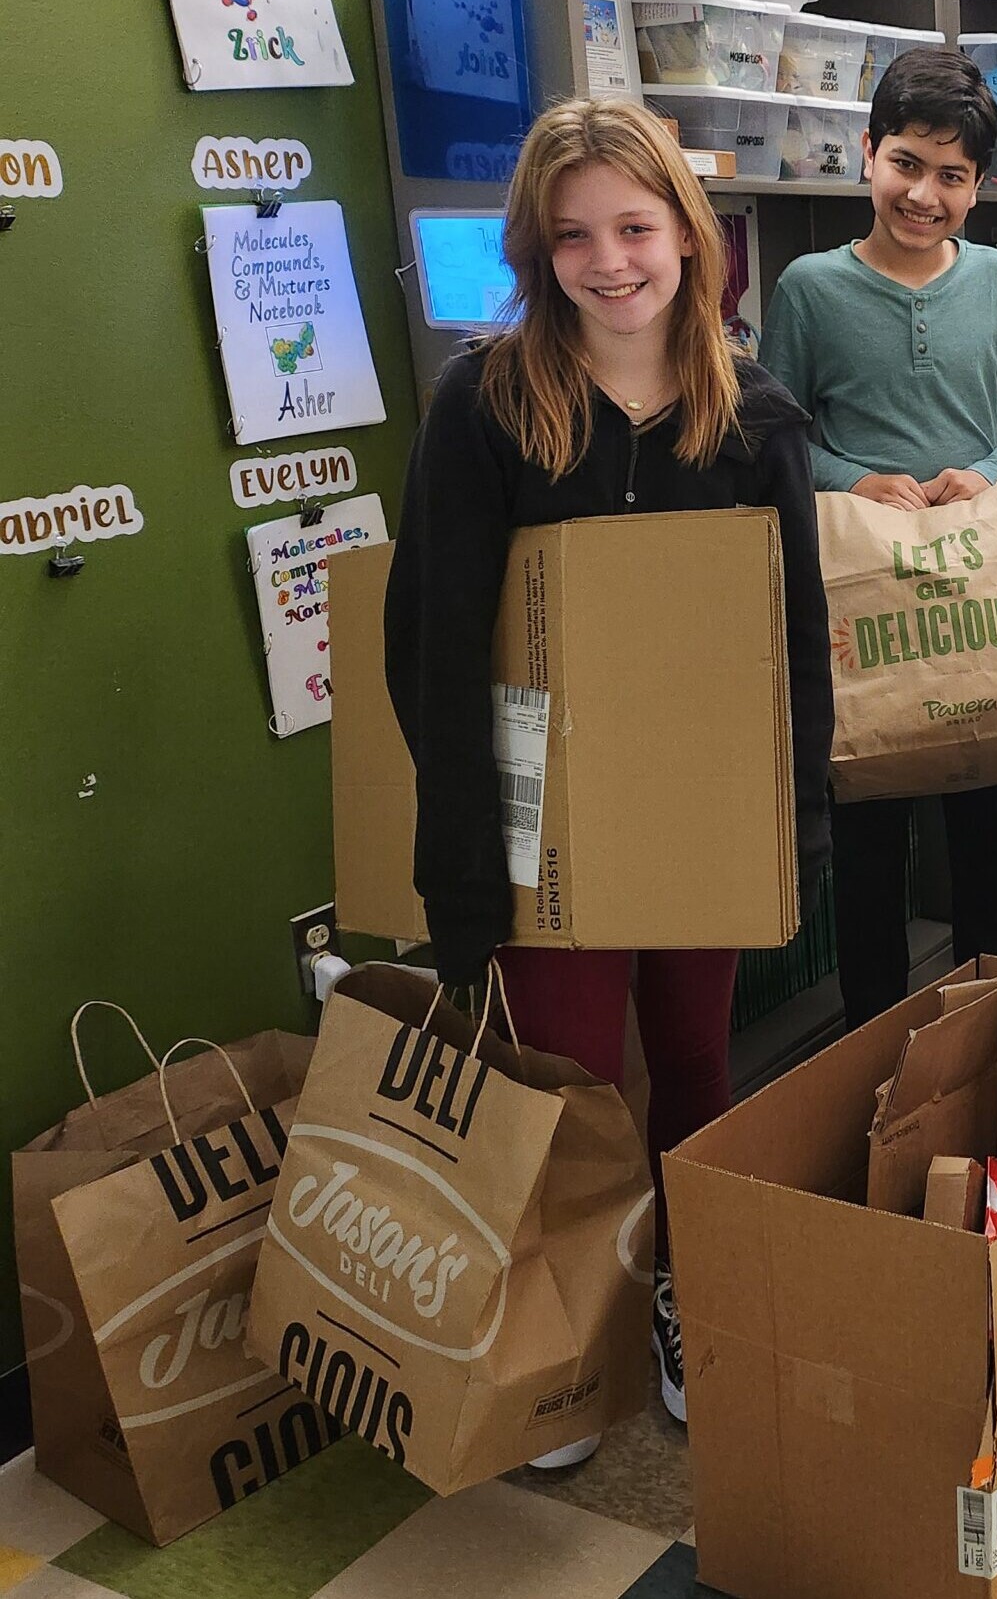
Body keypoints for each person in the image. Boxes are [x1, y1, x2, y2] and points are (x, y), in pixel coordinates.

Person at [384, 97, 832, 1461]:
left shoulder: (751, 413)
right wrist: (463, 863)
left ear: (689, 238)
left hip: (696, 818)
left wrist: (795, 827)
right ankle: (573, 1325)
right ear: (536, 248)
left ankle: (686, 1293)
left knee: (698, 1055)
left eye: (636, 226)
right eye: (573, 235)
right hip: (550, 826)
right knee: (566, 1077)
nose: (611, 260)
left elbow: (794, 643)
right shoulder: (488, 403)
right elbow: (433, 638)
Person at [762, 49, 997, 1027]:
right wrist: (853, 479)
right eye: (905, 164)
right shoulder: (810, 288)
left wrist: (985, 470)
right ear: (867, 155)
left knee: (992, 843)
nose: (922, 194)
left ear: (979, 187)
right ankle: (875, 1040)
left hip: (982, 608)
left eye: (950, 176)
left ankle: (992, 1025)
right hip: (866, 611)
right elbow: (773, 439)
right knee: (867, 851)